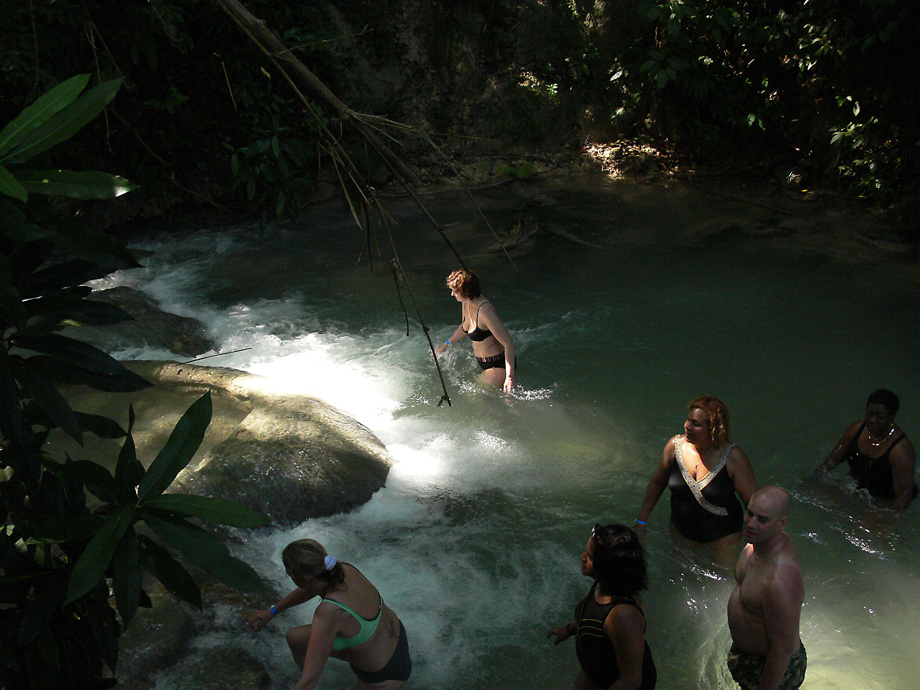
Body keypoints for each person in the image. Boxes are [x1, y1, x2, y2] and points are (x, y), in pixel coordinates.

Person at [248, 539, 411, 690]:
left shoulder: (329, 611)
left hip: (384, 677)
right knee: (295, 637)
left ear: (297, 575)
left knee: (308, 678)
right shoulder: (342, 570)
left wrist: (306, 683)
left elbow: (309, 679)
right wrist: (272, 611)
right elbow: (310, 588)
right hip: (394, 638)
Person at [635, 396, 757, 555]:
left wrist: (754, 541)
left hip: (722, 537)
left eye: (696, 424)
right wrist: (641, 521)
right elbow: (657, 483)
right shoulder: (674, 447)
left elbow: (753, 503)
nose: (687, 426)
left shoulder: (733, 458)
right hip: (681, 532)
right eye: (688, 420)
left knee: (724, 578)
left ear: (713, 428)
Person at [547, 524, 657, 690]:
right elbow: (594, 620)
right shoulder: (604, 584)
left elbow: (631, 681)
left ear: (608, 567)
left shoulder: (622, 615)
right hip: (597, 668)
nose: (582, 557)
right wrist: (569, 630)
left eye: (590, 557)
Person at [726, 486, 806, 690]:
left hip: (771, 669)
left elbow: (782, 650)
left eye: (762, 520)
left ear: (782, 523)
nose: (751, 524)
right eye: (749, 514)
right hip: (748, 656)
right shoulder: (755, 546)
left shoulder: (779, 580)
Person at [813, 388, 917, 510]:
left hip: (884, 499)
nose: (872, 420)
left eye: (880, 417)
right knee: (818, 501)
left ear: (892, 417)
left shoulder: (900, 451)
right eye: (869, 414)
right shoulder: (856, 430)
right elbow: (833, 460)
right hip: (855, 486)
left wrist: (889, 517)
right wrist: (815, 478)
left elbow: (903, 497)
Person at [434, 268, 516, 392]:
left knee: (472, 398)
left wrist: (510, 377)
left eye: (455, 291)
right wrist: (445, 345)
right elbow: (465, 328)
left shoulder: (485, 311)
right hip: (484, 363)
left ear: (466, 291)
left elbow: (508, 342)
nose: (452, 294)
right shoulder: (466, 302)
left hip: (497, 367)